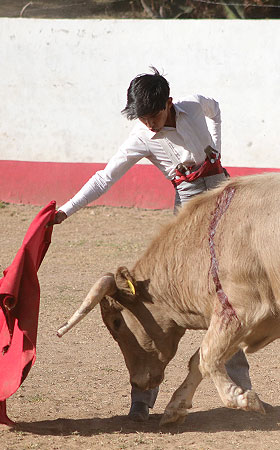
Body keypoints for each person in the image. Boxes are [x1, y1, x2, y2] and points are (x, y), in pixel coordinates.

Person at [52, 67, 253, 421]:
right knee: (156, 303)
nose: (148, 124)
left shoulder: (193, 106)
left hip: (226, 205)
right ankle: (142, 401)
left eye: (153, 116)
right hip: (189, 213)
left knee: (226, 298)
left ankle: (241, 391)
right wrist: (65, 211)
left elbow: (216, 108)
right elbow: (105, 178)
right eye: (141, 118)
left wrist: (217, 151)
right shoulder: (140, 136)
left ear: (169, 103)